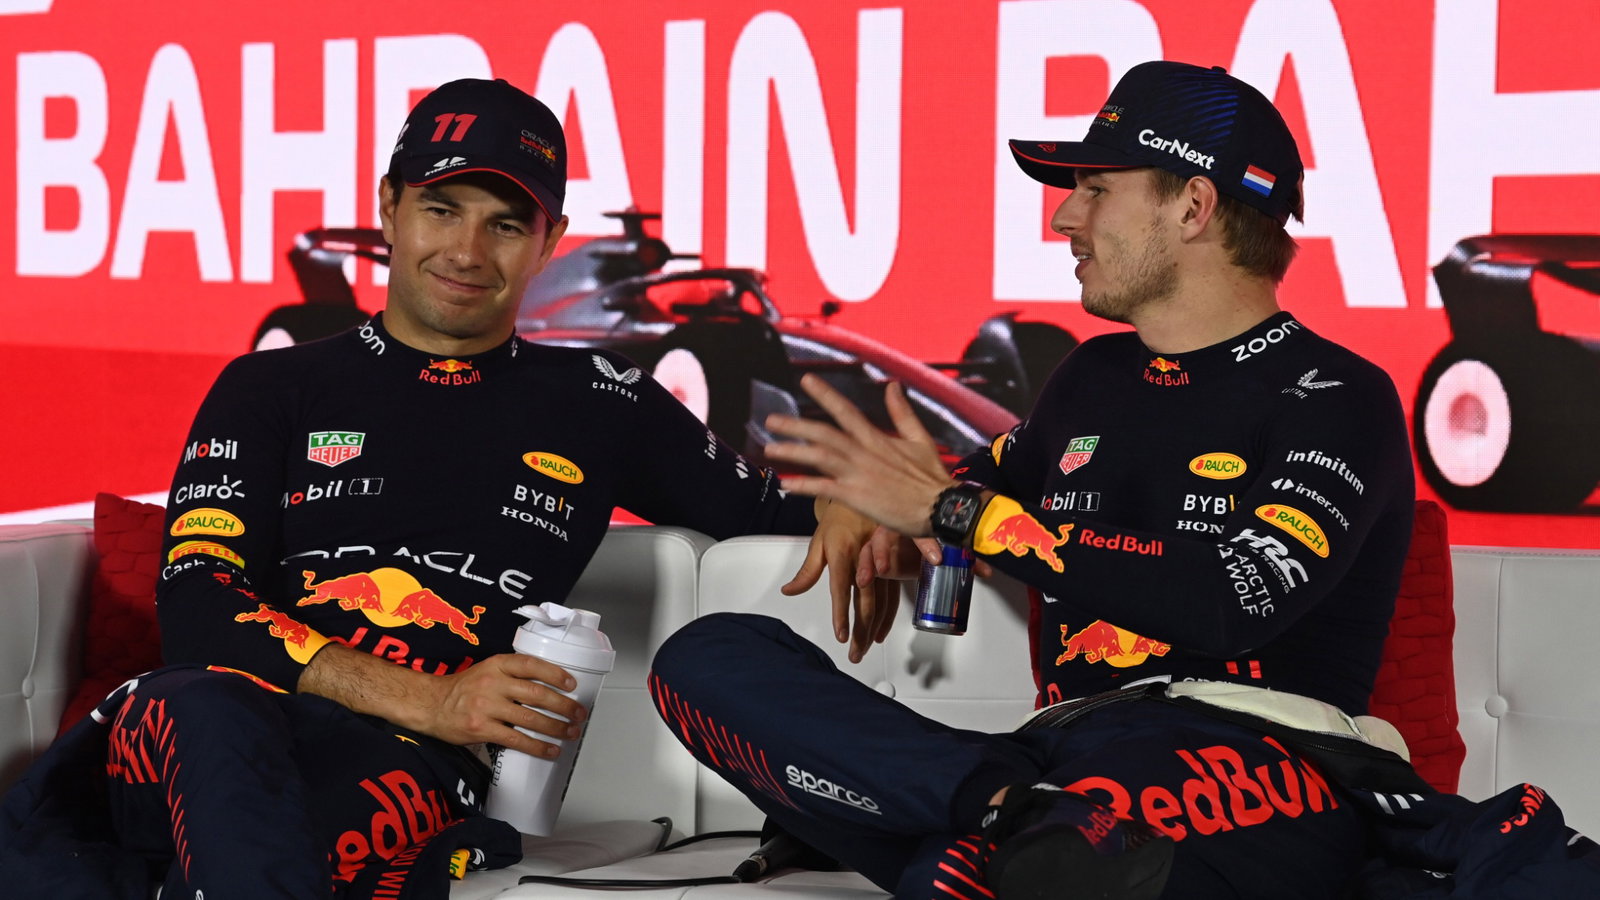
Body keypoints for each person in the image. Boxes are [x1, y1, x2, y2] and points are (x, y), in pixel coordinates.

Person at [1, 77, 823, 899]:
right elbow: (198, 602)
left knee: (268, 844)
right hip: (200, 723)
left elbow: (777, 519)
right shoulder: (270, 386)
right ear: (390, 207)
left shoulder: (604, 398)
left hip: (404, 769)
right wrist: (431, 698)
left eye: (506, 225)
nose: (468, 251)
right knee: (211, 714)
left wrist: (872, 510)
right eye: (442, 208)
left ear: (549, 242)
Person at [648, 60, 1419, 900]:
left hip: (1268, 764)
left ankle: (1005, 831)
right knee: (705, 656)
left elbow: (1230, 604)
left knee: (986, 865)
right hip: (1058, 756)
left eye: (1095, 188)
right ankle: (1011, 815)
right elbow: (956, 490)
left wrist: (956, 513)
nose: (1064, 217)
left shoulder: (1340, 394)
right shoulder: (1091, 377)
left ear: (1193, 206)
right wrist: (859, 501)